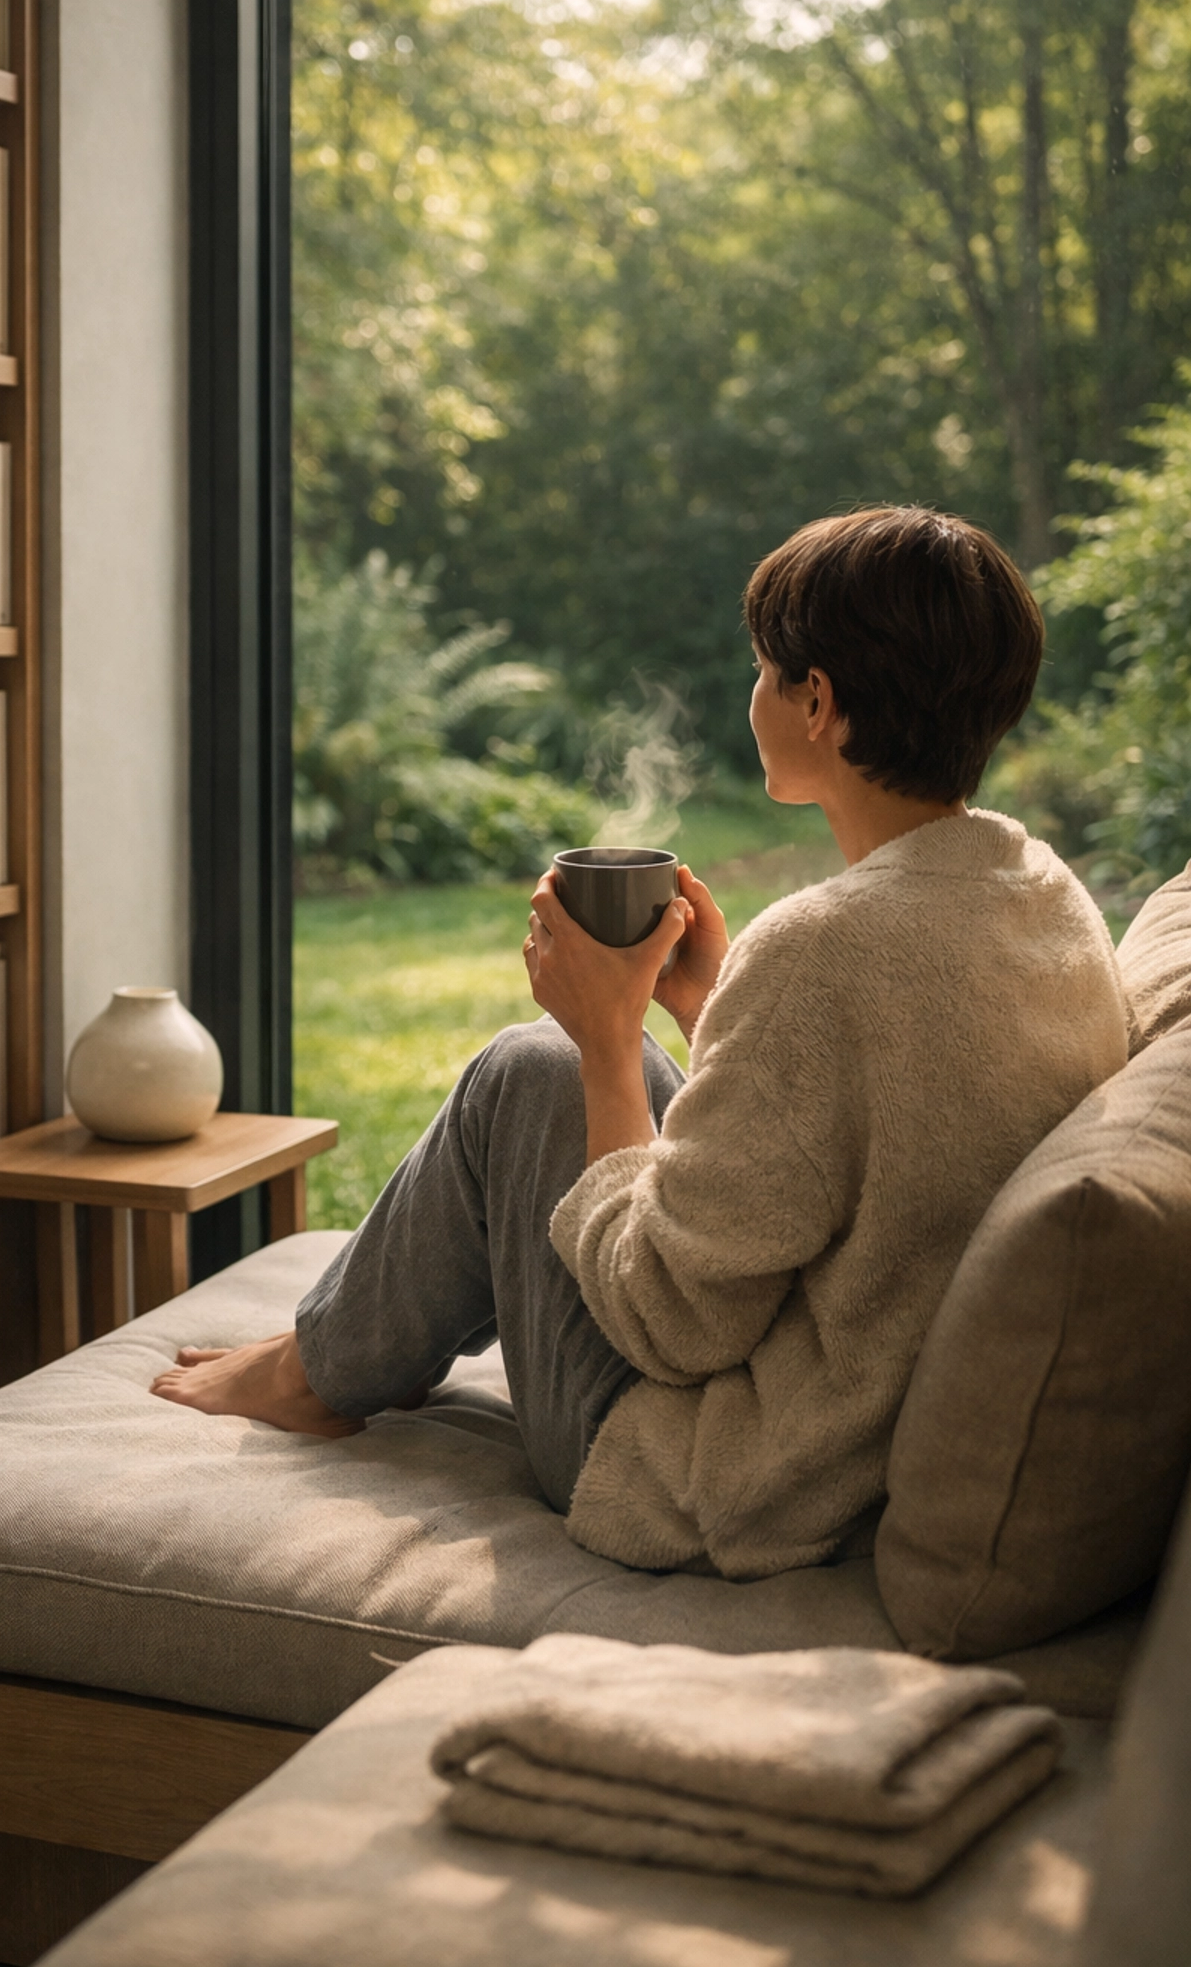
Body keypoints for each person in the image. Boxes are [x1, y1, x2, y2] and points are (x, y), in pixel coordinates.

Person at [153, 507, 1129, 1579]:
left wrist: (608, 1042)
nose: (752, 693)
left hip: (746, 1478)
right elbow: (877, 1139)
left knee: (530, 1068)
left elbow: (672, 1323)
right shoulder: (1046, 900)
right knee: (558, 1067)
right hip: (862, 1428)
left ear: (817, 702)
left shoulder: (824, 947)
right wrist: (709, 1005)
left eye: (762, 670)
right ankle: (353, 1346)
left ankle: (313, 1371)